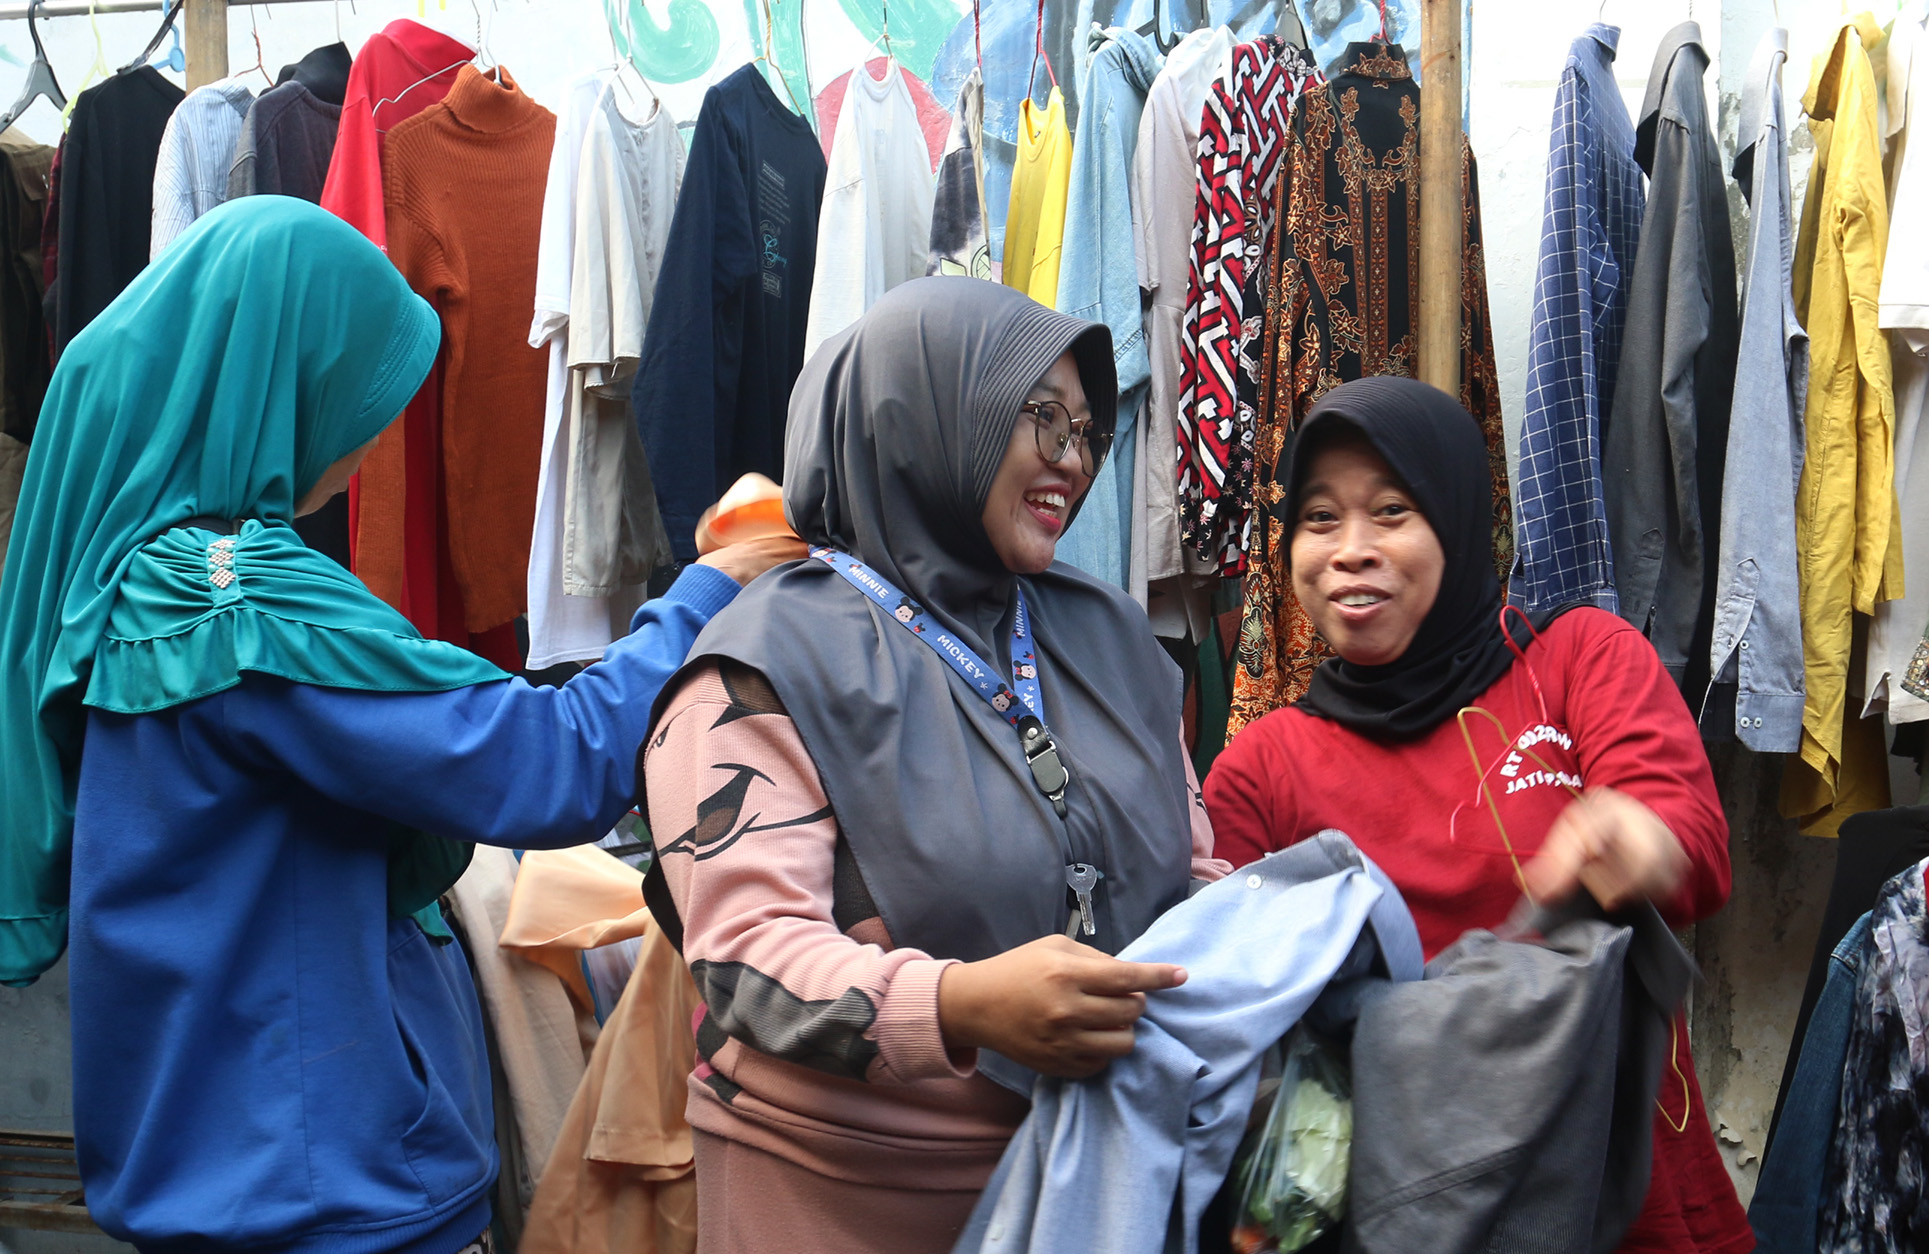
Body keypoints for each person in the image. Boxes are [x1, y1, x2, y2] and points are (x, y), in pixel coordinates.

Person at [0, 198, 799, 1254]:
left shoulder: (135, 588)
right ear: (275, 378)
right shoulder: (243, 609)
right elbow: (554, 764)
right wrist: (711, 587)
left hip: (221, 1174)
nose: (372, 429)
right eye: (354, 386)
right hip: (325, 1198)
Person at [641, 277, 1230, 1253]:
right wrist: (965, 1006)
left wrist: (1252, 927)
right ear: (919, 414)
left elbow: (1185, 858)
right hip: (853, 1200)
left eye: (1087, 432)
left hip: (1107, 1183)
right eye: (1041, 418)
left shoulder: (1110, 642)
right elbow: (749, 960)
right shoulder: (767, 666)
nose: (1072, 462)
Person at [1204, 377, 1754, 1253]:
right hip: (1411, 1207)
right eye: (1317, 518)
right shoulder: (1259, 770)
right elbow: (1228, 1018)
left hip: (1619, 1190)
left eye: (1390, 511)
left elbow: (1691, 845)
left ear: (1457, 522)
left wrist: (1635, 838)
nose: (1349, 549)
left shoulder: (1576, 660)